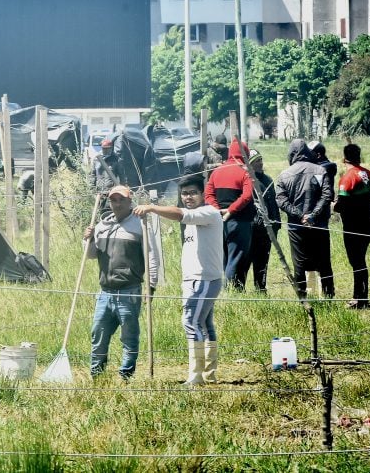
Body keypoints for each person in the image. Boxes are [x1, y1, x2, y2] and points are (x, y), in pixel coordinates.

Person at [134, 175, 224, 385]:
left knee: (191, 321)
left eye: (193, 192)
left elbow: (179, 214)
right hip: (196, 279)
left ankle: (196, 376)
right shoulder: (196, 216)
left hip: (203, 280)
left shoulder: (208, 212)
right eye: (184, 193)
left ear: (203, 194)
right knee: (205, 324)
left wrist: (151, 208)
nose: (188, 197)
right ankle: (209, 373)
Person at [84, 185, 159, 380]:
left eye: (121, 200)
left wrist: (151, 286)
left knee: (129, 337)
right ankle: (97, 376)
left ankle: (125, 375)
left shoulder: (140, 224)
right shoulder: (101, 226)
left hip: (130, 291)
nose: (117, 204)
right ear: (109, 202)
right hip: (105, 292)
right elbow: (91, 256)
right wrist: (89, 240)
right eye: (113, 200)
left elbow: (151, 256)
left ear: (129, 201)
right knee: (98, 335)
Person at [276, 139, 334, 299]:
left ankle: (303, 301)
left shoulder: (284, 174)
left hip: (296, 227)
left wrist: (300, 216)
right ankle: (329, 298)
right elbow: (327, 195)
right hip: (319, 225)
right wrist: (313, 215)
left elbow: (281, 200)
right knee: (324, 263)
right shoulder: (321, 170)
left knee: (299, 265)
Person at [204, 139, 255, 290]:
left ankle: (225, 289)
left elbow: (208, 194)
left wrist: (217, 210)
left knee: (224, 258)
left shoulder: (217, 171)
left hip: (219, 221)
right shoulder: (245, 172)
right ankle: (230, 292)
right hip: (240, 222)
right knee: (236, 258)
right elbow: (247, 196)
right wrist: (231, 210)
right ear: (244, 154)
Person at [334, 144, 370, 308]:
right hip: (369, 220)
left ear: (344, 158)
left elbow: (341, 205)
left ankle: (359, 298)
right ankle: (361, 296)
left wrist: (333, 205)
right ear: (359, 157)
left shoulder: (347, 178)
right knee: (360, 259)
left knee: (356, 261)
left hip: (354, 224)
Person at [247, 150, 280, 294]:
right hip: (252, 228)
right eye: (256, 161)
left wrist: (277, 223)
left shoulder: (268, 180)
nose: (260, 163)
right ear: (249, 164)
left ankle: (261, 288)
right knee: (247, 260)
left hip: (267, 229)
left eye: (261, 159)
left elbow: (273, 204)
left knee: (262, 260)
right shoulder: (247, 181)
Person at [90, 137, 122, 214]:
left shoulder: (116, 159)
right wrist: (92, 188)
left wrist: (120, 188)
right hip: (99, 191)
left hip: (111, 191)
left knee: (109, 211)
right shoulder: (97, 159)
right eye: (104, 148)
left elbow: (122, 175)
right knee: (99, 211)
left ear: (111, 148)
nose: (105, 150)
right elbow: (92, 175)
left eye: (108, 148)